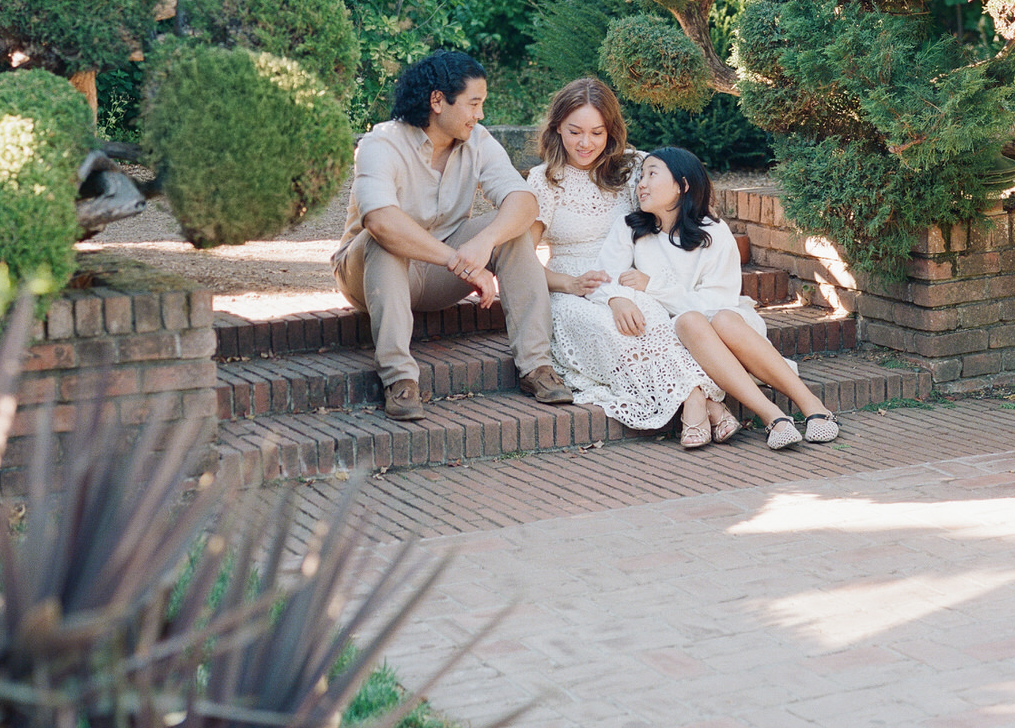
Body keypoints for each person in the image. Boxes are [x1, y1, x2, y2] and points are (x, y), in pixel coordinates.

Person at [332, 50, 572, 421]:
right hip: (368, 273)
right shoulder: (382, 143)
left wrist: (485, 240)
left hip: (440, 274)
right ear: (438, 101)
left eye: (483, 104)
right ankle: (399, 380)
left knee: (511, 230)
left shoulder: (478, 140)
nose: (480, 115)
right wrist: (460, 261)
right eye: (474, 104)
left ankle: (536, 367)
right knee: (384, 238)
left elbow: (524, 201)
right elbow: (380, 221)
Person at [526, 79, 732, 446]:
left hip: (627, 278)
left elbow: (679, 194)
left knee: (653, 323)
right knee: (610, 330)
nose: (585, 143)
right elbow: (522, 262)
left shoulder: (633, 167)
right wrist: (568, 284)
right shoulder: (545, 180)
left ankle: (693, 400)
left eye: (596, 132)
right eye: (574, 131)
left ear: (611, 131)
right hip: (572, 288)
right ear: (557, 127)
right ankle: (697, 401)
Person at [592, 146, 841, 448]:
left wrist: (652, 285)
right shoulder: (630, 228)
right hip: (671, 335)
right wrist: (619, 298)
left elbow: (716, 303)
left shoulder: (713, 231)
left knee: (719, 318)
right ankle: (773, 416)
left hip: (728, 328)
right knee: (689, 321)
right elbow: (605, 278)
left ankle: (811, 404)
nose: (641, 184)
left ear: (682, 185)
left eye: (652, 174)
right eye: (640, 176)